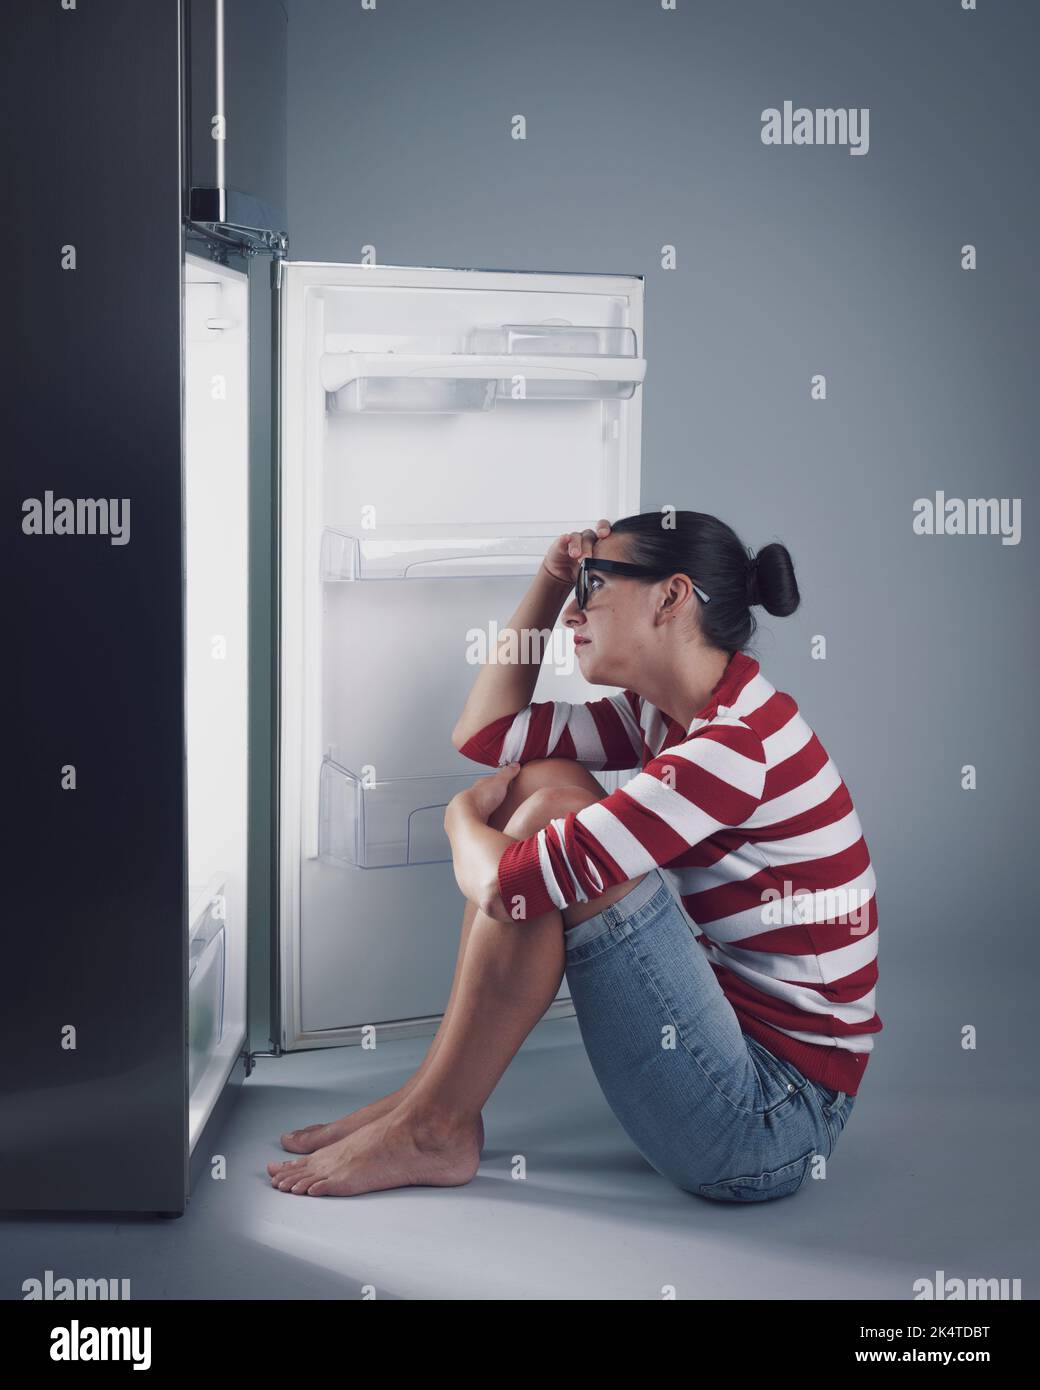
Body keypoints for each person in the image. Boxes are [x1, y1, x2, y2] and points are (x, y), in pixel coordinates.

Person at [268, 511, 880, 1199]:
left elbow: (508, 887)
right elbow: (489, 734)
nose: (572, 612)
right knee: (542, 781)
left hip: (773, 1124)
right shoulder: (667, 714)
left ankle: (435, 1124)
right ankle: (429, 1098)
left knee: (548, 822)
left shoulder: (729, 749)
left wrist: (457, 818)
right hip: (731, 1048)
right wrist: (550, 579)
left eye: (592, 584)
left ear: (671, 598)